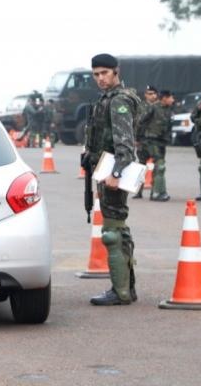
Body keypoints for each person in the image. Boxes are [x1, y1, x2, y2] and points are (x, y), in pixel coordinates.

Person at [83, 53, 140, 306]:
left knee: (112, 232)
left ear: (116, 71)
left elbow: (124, 143)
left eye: (104, 73)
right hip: (104, 170)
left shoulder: (119, 101)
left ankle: (121, 292)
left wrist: (116, 173)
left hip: (113, 173)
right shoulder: (106, 99)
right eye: (96, 74)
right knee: (119, 230)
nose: (100, 78)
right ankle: (127, 288)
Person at [135, 90, 175, 201]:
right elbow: (141, 121)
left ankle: (159, 192)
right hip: (151, 141)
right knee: (158, 166)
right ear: (165, 98)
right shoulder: (153, 107)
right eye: (171, 97)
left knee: (159, 167)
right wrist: (138, 138)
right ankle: (154, 193)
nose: (173, 100)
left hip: (161, 141)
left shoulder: (169, 109)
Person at [132, 85, 160, 199]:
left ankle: (155, 191)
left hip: (155, 141)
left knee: (157, 167)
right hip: (142, 140)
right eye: (149, 93)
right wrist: (136, 139)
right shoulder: (140, 106)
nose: (152, 96)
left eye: (153, 93)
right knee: (141, 167)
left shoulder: (160, 106)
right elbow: (136, 122)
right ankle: (138, 191)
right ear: (145, 95)